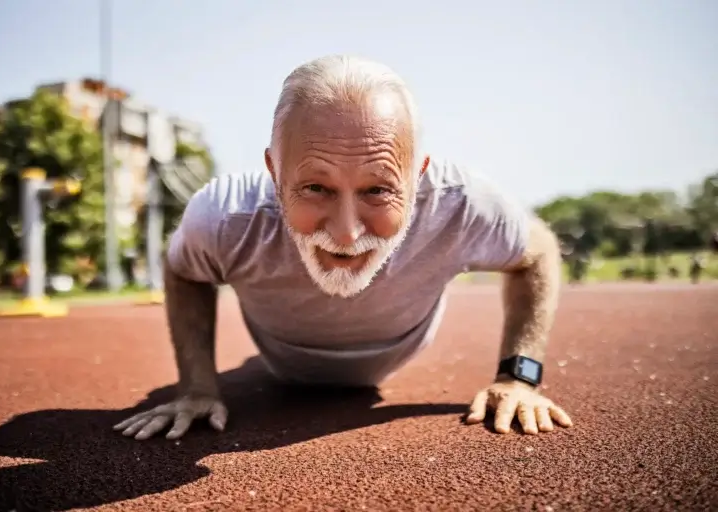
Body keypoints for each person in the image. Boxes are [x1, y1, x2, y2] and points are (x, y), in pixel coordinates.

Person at [113, 55, 573, 441]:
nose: (348, 233)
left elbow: (537, 253)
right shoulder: (224, 215)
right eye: (316, 187)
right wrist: (196, 386)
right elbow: (184, 269)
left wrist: (519, 376)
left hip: (401, 343)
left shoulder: (461, 201)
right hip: (280, 357)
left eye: (378, 191)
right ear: (274, 172)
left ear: (418, 176)